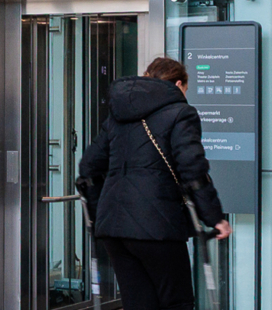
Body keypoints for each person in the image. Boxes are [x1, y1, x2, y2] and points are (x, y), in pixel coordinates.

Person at [75, 56, 230, 310]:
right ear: (179, 84)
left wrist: (99, 212)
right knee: (176, 301)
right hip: (158, 226)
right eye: (186, 89)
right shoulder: (182, 113)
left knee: (138, 303)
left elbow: (88, 168)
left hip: (114, 228)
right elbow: (192, 168)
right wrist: (214, 217)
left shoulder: (118, 115)